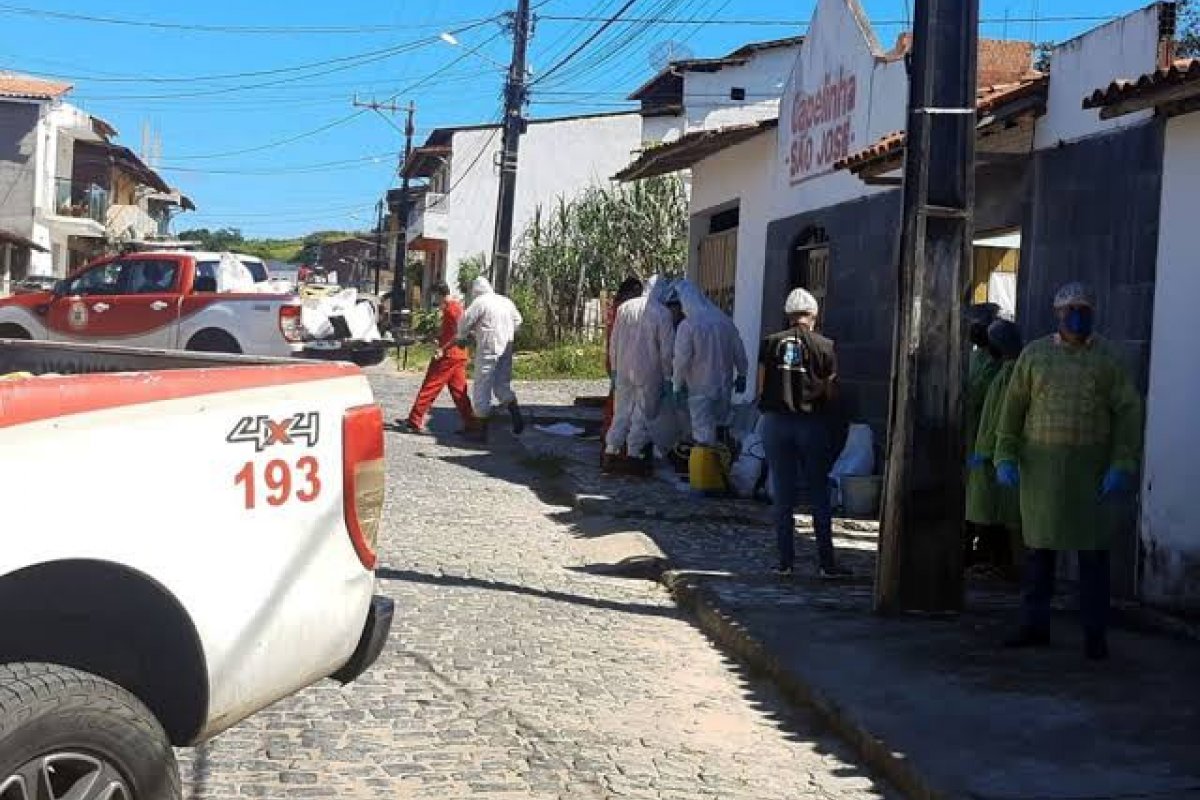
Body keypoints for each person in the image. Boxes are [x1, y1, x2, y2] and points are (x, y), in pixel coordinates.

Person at [993, 282, 1143, 660]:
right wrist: (1004, 454)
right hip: (1040, 469)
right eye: (1069, 309)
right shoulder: (1034, 356)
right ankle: (1034, 625)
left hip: (1090, 470)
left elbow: (1128, 412)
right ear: (1057, 314)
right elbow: (1013, 408)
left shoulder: (1108, 358)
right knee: (1039, 555)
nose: (1077, 316)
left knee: (1093, 556)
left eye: (1084, 309)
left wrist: (1123, 461)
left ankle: (1095, 633)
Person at [758, 288, 851, 578]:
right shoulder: (825, 345)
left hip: (776, 423)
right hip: (811, 424)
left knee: (782, 495)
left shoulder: (771, 342)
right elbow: (831, 388)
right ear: (813, 315)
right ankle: (826, 563)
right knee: (818, 492)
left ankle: (785, 562)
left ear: (788, 314)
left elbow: (761, 385)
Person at [966, 319, 1024, 577]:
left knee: (1000, 513)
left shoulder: (1009, 374)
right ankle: (994, 559)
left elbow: (1001, 416)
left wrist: (988, 450)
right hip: (986, 448)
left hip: (995, 453)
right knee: (989, 511)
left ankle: (1004, 562)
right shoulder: (1002, 371)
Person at [605, 275, 675, 476]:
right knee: (641, 415)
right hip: (649, 372)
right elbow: (667, 350)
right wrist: (668, 376)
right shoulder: (662, 313)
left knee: (621, 413)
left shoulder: (624, 308)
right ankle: (634, 456)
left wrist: (615, 369)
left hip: (624, 370)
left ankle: (611, 451)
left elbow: (614, 341)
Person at [671, 280, 748, 448]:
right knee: (721, 429)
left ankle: (705, 472)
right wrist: (742, 374)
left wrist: (676, 385)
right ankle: (721, 469)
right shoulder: (725, 321)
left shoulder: (688, 325)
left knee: (703, 436)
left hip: (700, 389)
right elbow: (739, 351)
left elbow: (681, 359)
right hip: (724, 388)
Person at [401, 282, 475, 435]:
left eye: (434, 295)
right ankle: (472, 424)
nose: (434, 299)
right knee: (459, 391)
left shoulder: (452, 309)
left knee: (430, 385)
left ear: (439, 294)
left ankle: (414, 420)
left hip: (449, 355)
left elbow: (459, 333)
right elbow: (452, 332)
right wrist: (436, 337)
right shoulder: (452, 307)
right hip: (458, 355)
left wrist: (443, 348)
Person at [457, 276, 525, 440]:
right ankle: (516, 417)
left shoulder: (480, 302)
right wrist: (506, 331)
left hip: (488, 347)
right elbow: (518, 321)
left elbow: (466, 320)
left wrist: (462, 336)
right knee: (502, 384)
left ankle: (481, 433)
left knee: (482, 386)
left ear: (476, 291)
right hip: (506, 348)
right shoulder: (505, 301)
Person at [964, 303, 1002, 566]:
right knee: (969, 498)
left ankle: (991, 552)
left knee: (988, 501)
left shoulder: (998, 363)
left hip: (987, 437)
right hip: (969, 436)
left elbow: (976, 394)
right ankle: (968, 548)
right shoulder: (974, 357)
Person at [602, 277, 646, 454]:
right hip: (625, 363)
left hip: (619, 363)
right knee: (626, 408)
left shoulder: (620, 308)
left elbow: (613, 342)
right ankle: (624, 446)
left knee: (619, 406)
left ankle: (613, 444)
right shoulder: (624, 309)